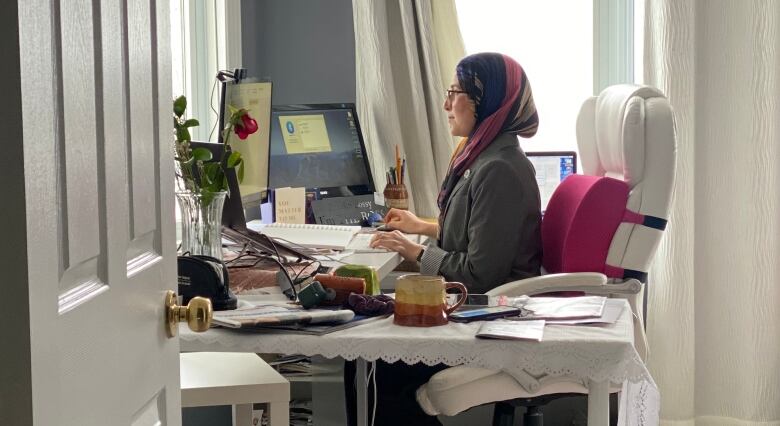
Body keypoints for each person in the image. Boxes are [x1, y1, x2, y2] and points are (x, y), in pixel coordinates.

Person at [344, 52, 543, 426]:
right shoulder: (486, 157)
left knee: (373, 364)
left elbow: (480, 273)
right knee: (365, 359)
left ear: (486, 103)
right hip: (470, 307)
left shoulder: (499, 170)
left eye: (456, 92)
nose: (446, 103)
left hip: (485, 315)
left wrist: (415, 251)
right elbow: (475, 235)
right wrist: (421, 225)